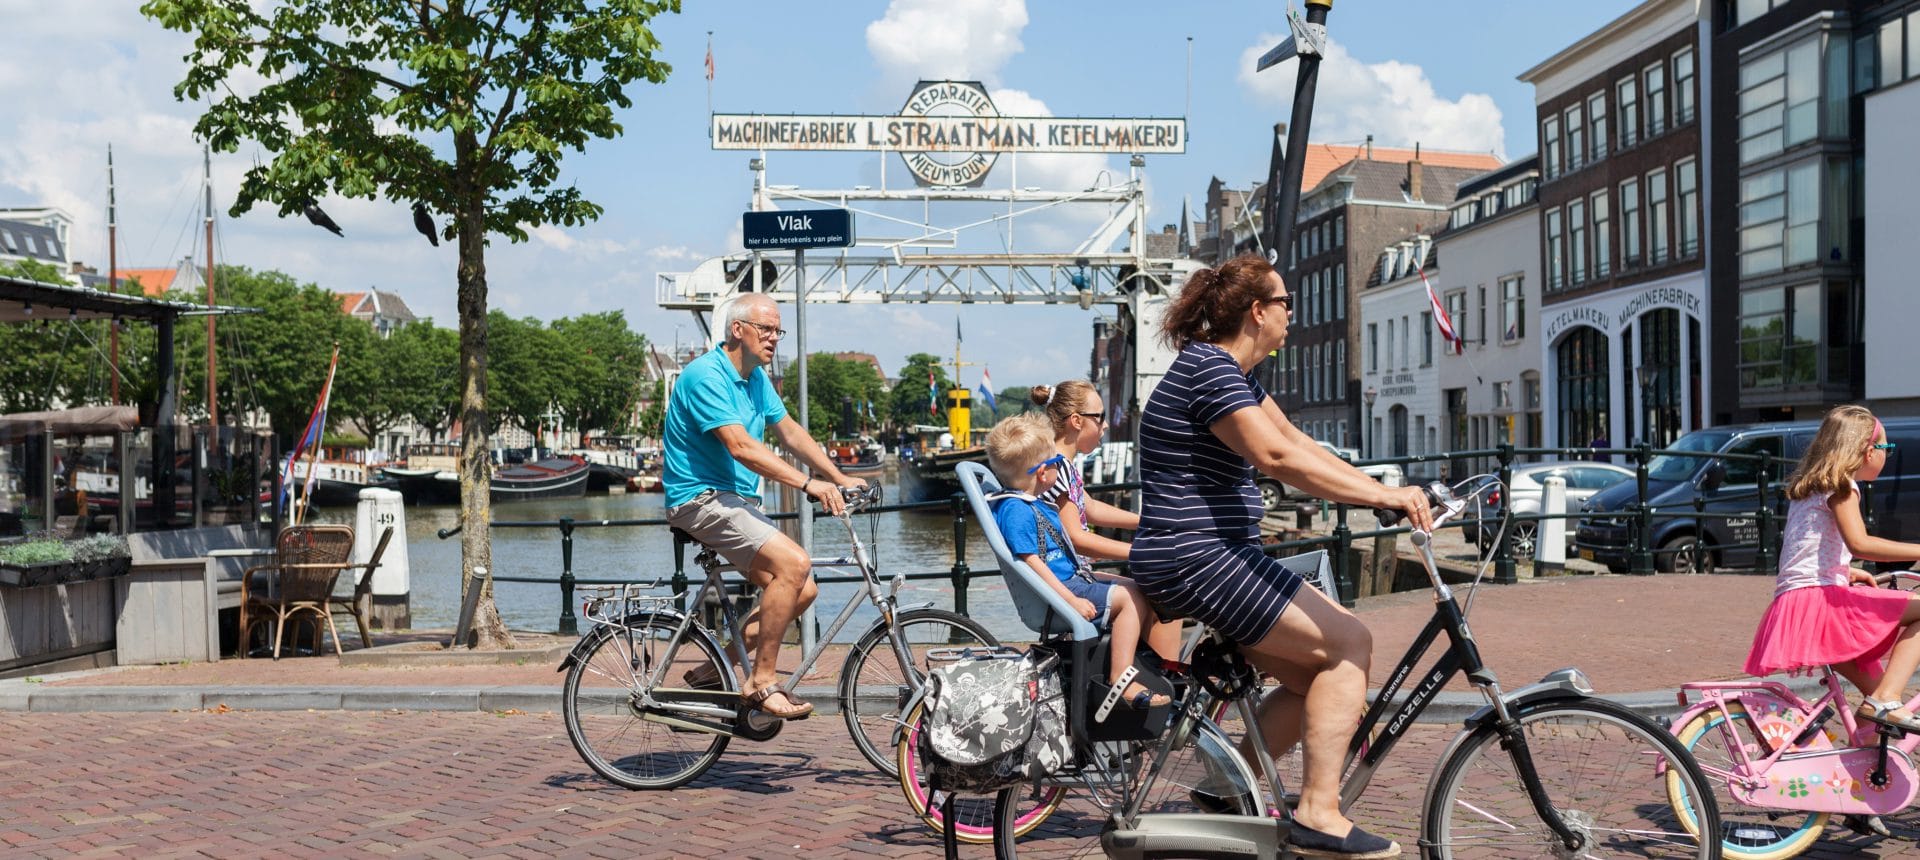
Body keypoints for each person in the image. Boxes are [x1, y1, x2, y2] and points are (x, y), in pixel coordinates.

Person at [1128, 254, 1431, 859]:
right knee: (1350, 645)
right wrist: (1384, 497)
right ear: (1257, 312)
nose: (1293, 313)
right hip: (1199, 556)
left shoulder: (1231, 374)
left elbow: (1297, 441)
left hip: (1207, 552)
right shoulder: (1211, 370)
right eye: (1286, 302)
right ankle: (1319, 813)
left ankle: (1226, 787)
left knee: (1315, 675)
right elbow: (1276, 459)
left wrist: (1385, 489)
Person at [662, 293, 866, 720]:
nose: (774, 337)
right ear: (738, 330)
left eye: (778, 330)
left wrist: (840, 478)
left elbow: (790, 433)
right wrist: (808, 484)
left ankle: (709, 672)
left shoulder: (755, 378)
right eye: (766, 329)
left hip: (733, 499)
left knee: (802, 589)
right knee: (795, 564)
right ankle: (761, 681)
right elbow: (740, 447)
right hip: (700, 497)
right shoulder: (706, 376)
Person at [1744, 405, 1920, 731]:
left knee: (1874, 705)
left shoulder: (1811, 487)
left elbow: (1805, 549)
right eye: (1887, 447)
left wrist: (1845, 571)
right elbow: (1860, 544)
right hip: (1822, 605)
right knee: (1885, 695)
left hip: (1799, 606)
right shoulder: (1842, 485)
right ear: (1868, 451)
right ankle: (1887, 698)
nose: (1887, 454)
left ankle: (1867, 746)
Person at [986, 413, 1168, 710]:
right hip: (1063, 591)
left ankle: (1132, 664)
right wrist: (1070, 600)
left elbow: (1047, 549)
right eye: (1056, 463)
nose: (1059, 467)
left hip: (1069, 581)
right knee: (1129, 599)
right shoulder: (1016, 511)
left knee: (1137, 590)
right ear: (1042, 472)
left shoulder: (1026, 504)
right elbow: (1032, 563)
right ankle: (1120, 676)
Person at [1028, 380, 1181, 661]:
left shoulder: (1061, 465)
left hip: (1073, 574)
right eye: (1100, 417)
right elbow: (1077, 538)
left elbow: (1092, 508)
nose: (1106, 425)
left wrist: (1148, 521)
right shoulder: (1056, 469)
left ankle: (1154, 672)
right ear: (1076, 421)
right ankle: (1159, 677)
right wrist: (1140, 552)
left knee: (1151, 592)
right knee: (1163, 595)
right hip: (1068, 580)